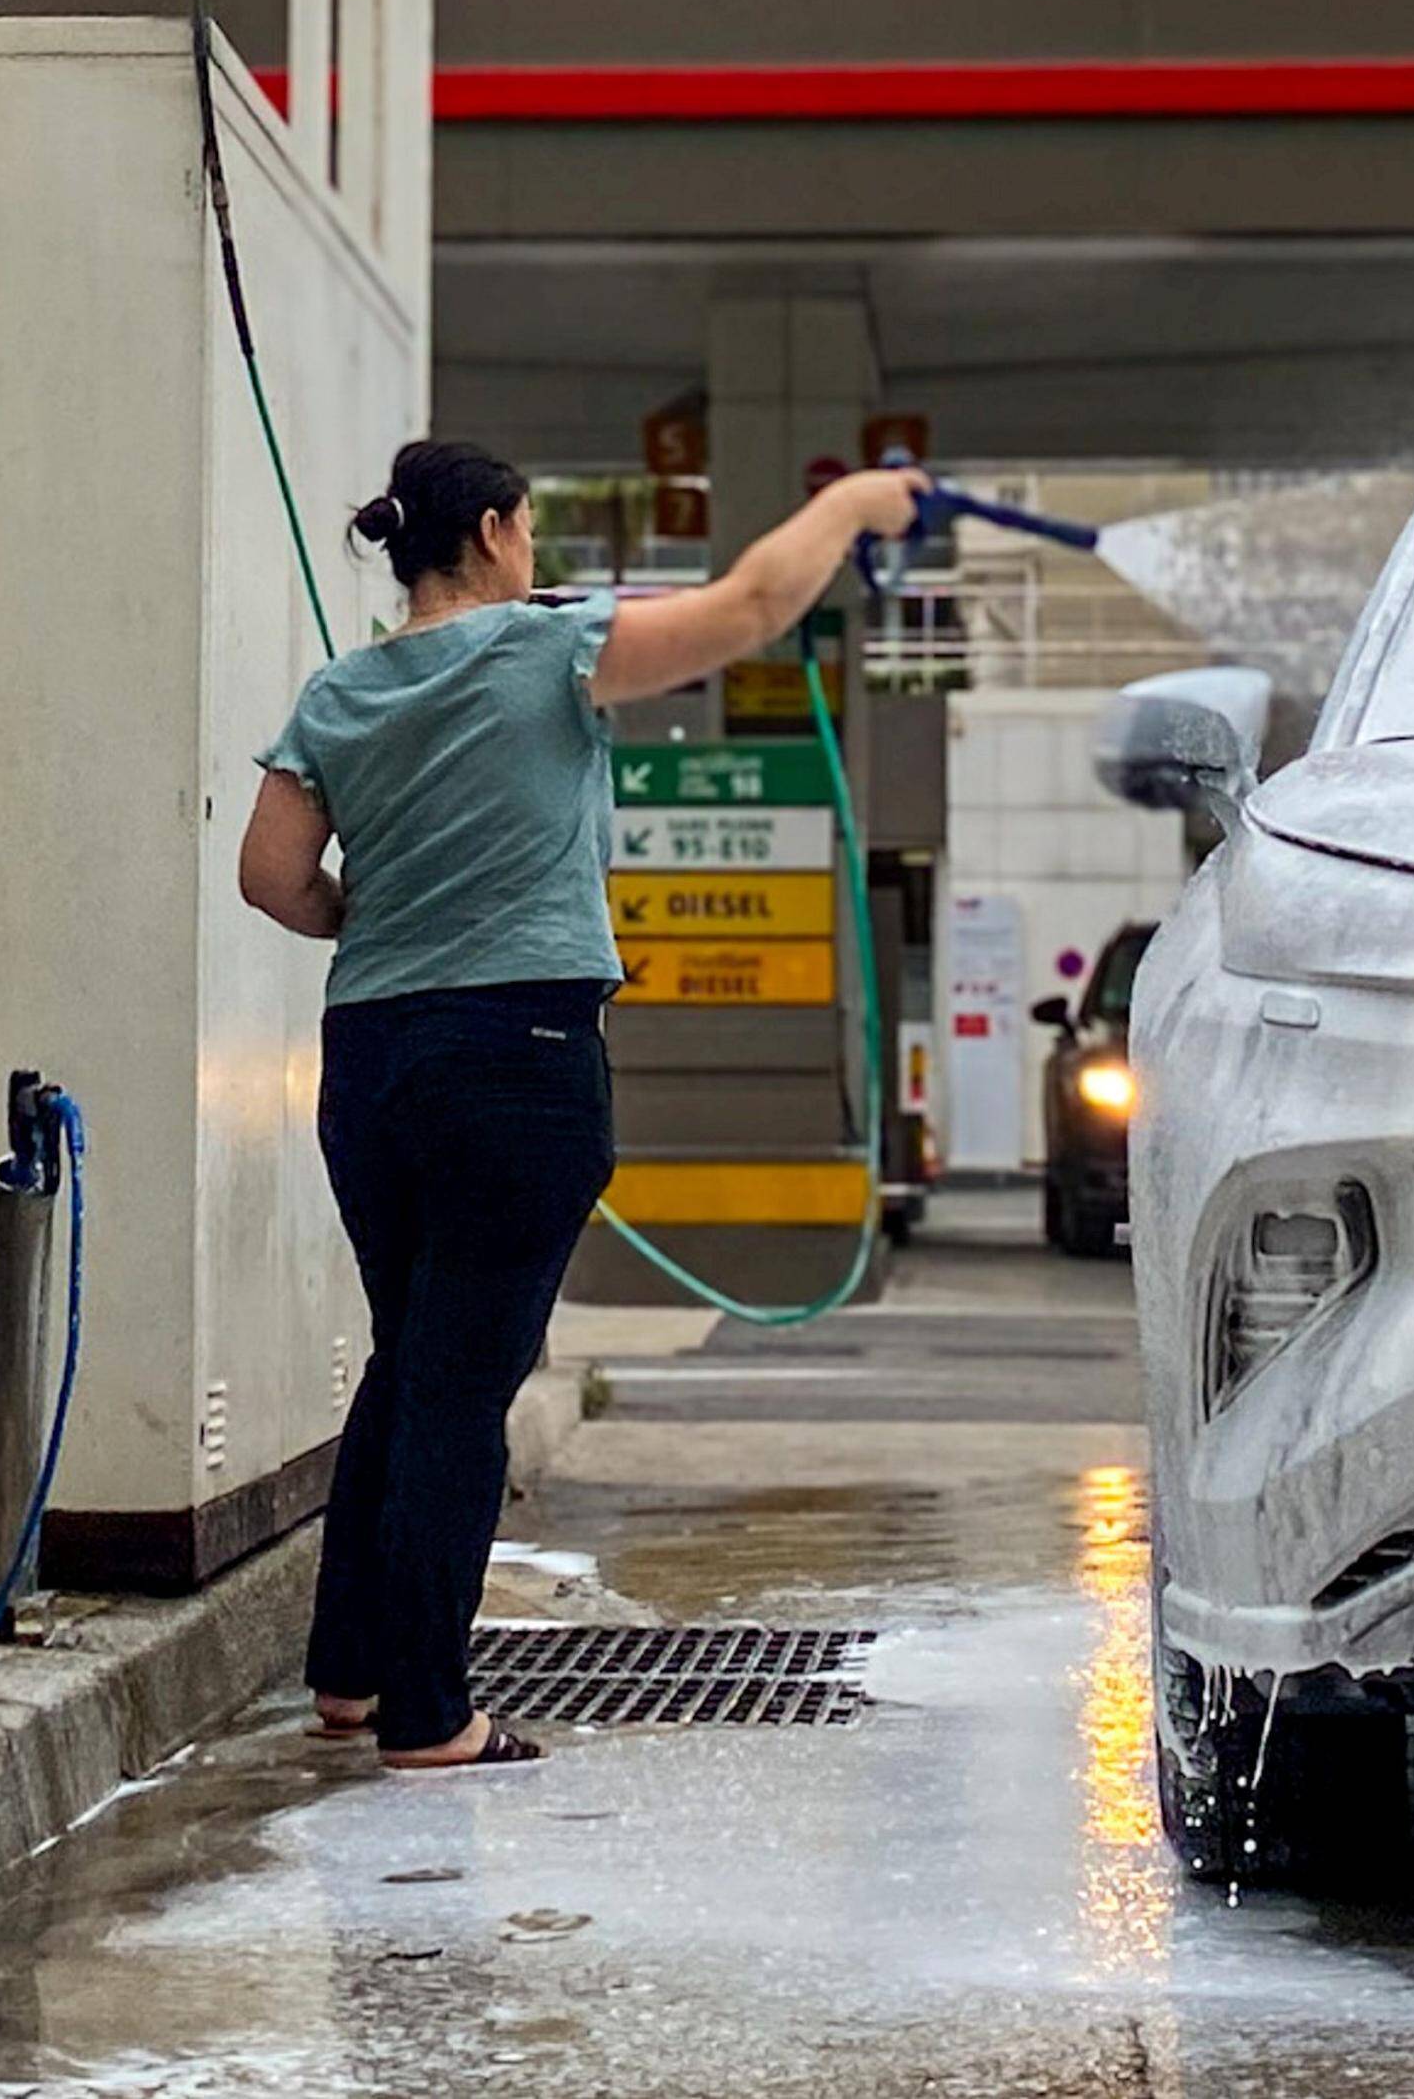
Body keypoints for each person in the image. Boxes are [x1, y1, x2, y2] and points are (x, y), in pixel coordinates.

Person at [235, 435, 929, 1769]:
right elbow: (750, 609)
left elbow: (273, 876)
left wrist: (367, 918)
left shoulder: (339, 690)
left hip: (371, 1052)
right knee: (461, 1384)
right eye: (531, 530)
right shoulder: (547, 652)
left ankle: (353, 1669)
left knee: (412, 1353)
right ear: (497, 530)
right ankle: (432, 1712)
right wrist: (846, 499)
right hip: (519, 1045)